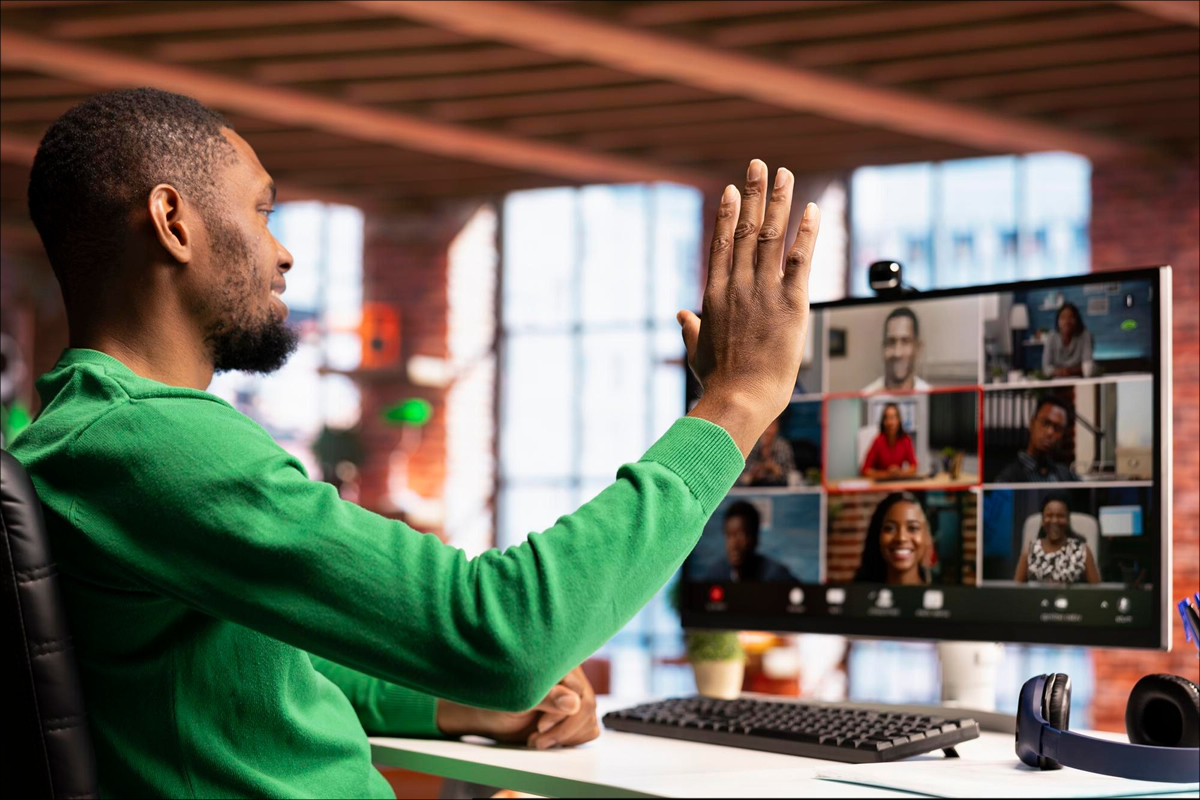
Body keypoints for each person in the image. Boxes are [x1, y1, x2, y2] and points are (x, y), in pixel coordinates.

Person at [9, 89, 824, 797]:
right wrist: (737, 402)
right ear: (173, 223)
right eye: (262, 210)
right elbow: (503, 633)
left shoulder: (80, 436)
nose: (283, 250)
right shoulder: (154, 442)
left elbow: (252, 667)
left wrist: (451, 707)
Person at [1014, 495, 1101, 584]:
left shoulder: (1082, 551)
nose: (1054, 520)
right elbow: (1016, 591)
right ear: (1043, 520)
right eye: (1049, 515)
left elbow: (1097, 592)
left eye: (1060, 516)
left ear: (1068, 520)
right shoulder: (1030, 551)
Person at [704, 501, 799, 583]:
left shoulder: (777, 576)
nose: (733, 544)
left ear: (755, 537)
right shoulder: (715, 575)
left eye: (740, 535)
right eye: (729, 535)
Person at [994, 395, 1080, 483]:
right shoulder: (1009, 477)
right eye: (1045, 423)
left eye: (1057, 428)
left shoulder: (1066, 475)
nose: (1050, 432)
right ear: (1032, 424)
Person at [853, 492, 932, 585]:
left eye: (912, 528)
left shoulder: (942, 596)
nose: (901, 538)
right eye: (890, 528)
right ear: (877, 535)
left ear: (926, 537)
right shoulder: (857, 596)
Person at [863, 306, 930, 392]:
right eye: (891, 342)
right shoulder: (866, 397)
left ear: (918, 348)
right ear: (883, 348)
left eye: (905, 341)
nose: (897, 353)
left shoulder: (930, 397)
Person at [861, 402, 918, 480]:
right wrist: (886, 474)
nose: (890, 422)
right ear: (883, 422)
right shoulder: (878, 441)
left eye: (893, 418)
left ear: (899, 420)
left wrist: (901, 473)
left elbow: (914, 466)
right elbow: (865, 470)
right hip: (880, 486)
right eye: (886, 418)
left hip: (899, 484)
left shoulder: (905, 440)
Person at [739, 416, 795, 486]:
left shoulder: (783, 446)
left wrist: (776, 471)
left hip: (778, 488)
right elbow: (742, 478)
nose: (767, 430)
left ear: (777, 427)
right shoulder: (751, 445)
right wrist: (755, 472)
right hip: (751, 489)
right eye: (765, 425)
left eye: (771, 425)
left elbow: (791, 476)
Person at [1042, 302, 1094, 378]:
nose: (1067, 321)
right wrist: (1060, 372)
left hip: (1080, 382)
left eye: (1071, 317)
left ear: (1077, 320)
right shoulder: (1051, 337)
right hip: (1055, 383)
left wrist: (1069, 371)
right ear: (1058, 321)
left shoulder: (1085, 336)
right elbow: (1046, 368)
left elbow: (1088, 368)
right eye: (1063, 317)